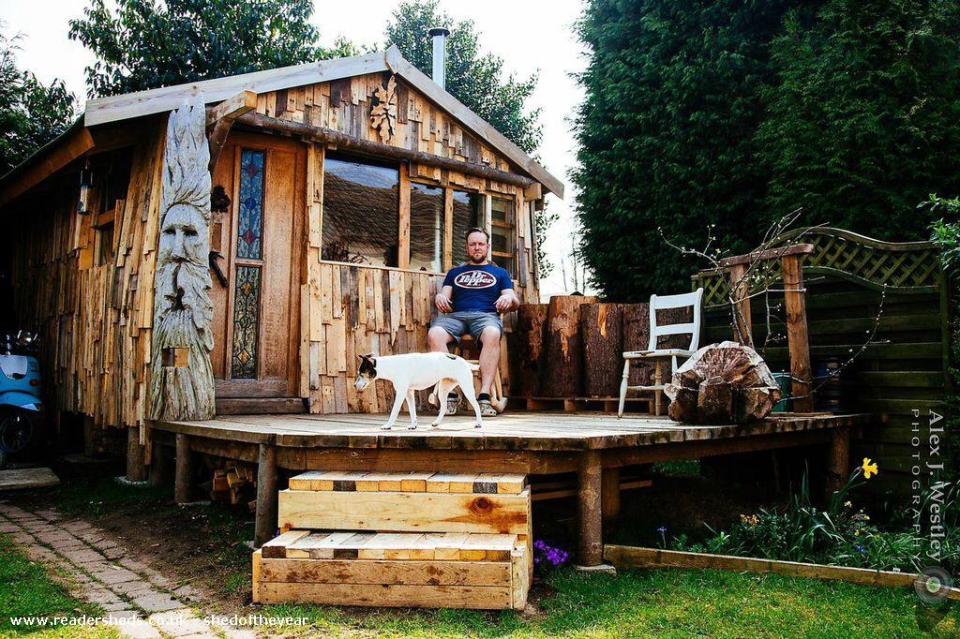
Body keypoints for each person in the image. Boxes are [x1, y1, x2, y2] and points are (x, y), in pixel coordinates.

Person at [428, 227, 519, 417]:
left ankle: (484, 396)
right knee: (434, 333)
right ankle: (450, 394)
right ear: (467, 248)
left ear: (487, 247)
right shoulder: (455, 272)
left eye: (480, 244)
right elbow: (444, 294)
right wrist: (439, 298)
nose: (477, 247)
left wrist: (509, 300)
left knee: (493, 333)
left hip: (485, 316)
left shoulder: (500, 273)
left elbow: (514, 300)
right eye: (473, 244)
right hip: (456, 316)